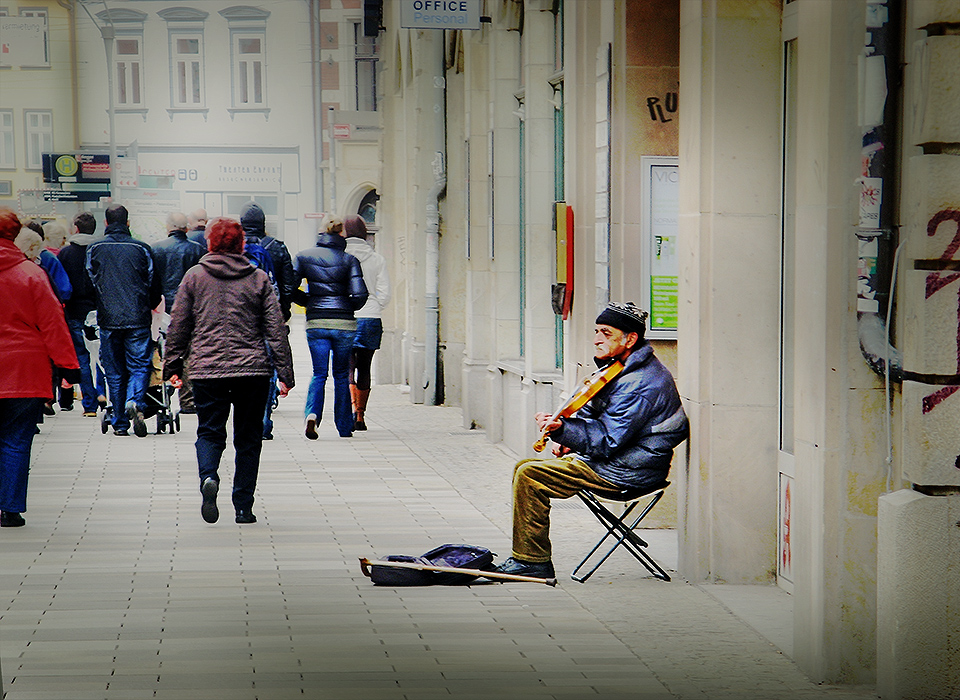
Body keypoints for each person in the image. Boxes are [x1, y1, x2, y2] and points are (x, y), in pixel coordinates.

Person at [495, 302, 689, 578]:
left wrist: (563, 430)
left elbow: (608, 439)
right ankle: (528, 556)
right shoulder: (621, 368)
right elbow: (595, 415)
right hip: (616, 461)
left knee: (531, 474)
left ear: (630, 338)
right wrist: (567, 436)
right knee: (524, 467)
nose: (597, 339)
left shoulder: (642, 383)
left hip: (628, 472)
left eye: (606, 333)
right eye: (597, 331)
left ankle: (532, 562)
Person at [163, 218, 294, 525]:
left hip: (207, 369)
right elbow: (276, 329)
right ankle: (243, 507)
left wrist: (172, 365)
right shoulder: (258, 278)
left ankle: (209, 477)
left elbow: (179, 325)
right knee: (249, 438)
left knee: (209, 431)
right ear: (240, 244)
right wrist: (285, 374)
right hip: (252, 371)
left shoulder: (194, 277)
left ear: (210, 242)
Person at [0, 208, 80, 528]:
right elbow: (52, 324)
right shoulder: (32, 274)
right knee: (17, 438)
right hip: (24, 370)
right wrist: (69, 367)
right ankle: (10, 508)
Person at [86, 204, 163, 437]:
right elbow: (154, 286)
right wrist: (147, 306)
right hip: (138, 318)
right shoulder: (142, 249)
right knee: (139, 365)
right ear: (128, 223)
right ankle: (135, 401)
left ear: (106, 223)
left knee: (114, 370)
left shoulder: (95, 248)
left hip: (108, 319)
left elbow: (89, 283)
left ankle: (119, 423)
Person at [293, 216, 367, 439]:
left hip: (316, 321)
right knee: (342, 374)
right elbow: (360, 294)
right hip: (343, 323)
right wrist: (347, 307)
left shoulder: (304, 256)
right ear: (341, 234)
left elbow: (289, 287)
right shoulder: (349, 260)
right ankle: (344, 426)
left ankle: (312, 414)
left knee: (319, 373)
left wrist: (308, 302)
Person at [238, 202, 296, 440]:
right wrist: (283, 312)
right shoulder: (278, 248)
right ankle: (264, 419)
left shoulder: (236, 248)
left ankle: (248, 417)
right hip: (270, 315)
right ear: (264, 224)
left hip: (242, 317)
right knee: (270, 363)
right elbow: (288, 285)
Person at [343, 215, 390, 431]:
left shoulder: (341, 256)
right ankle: (360, 415)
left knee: (348, 367)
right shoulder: (377, 259)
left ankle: (350, 410)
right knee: (366, 367)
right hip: (371, 317)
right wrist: (374, 304)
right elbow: (385, 293)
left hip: (347, 315)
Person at [57, 212, 106, 417]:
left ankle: (90, 404)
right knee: (103, 355)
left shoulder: (65, 254)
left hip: (75, 312)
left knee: (83, 357)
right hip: (100, 312)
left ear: (75, 229)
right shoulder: (101, 251)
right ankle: (103, 393)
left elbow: (62, 286)